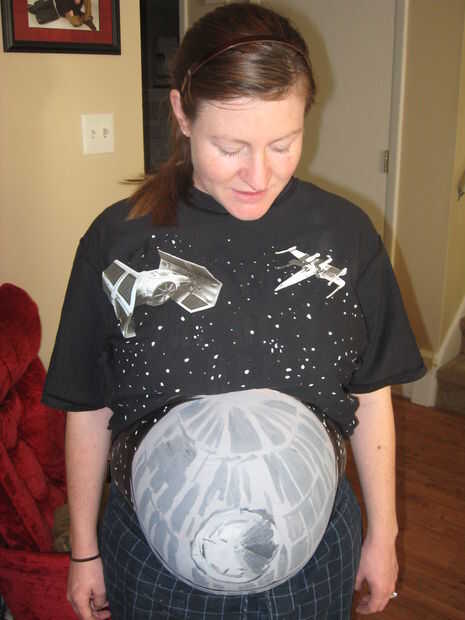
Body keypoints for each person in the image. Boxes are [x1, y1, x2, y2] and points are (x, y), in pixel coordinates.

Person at [42, 3, 426, 619]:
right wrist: (84, 550)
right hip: (155, 566)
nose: (259, 175)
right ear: (182, 115)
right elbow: (89, 407)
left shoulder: (346, 236)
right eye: (230, 147)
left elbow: (370, 395)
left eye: (284, 144)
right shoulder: (119, 242)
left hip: (314, 561)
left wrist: (385, 535)